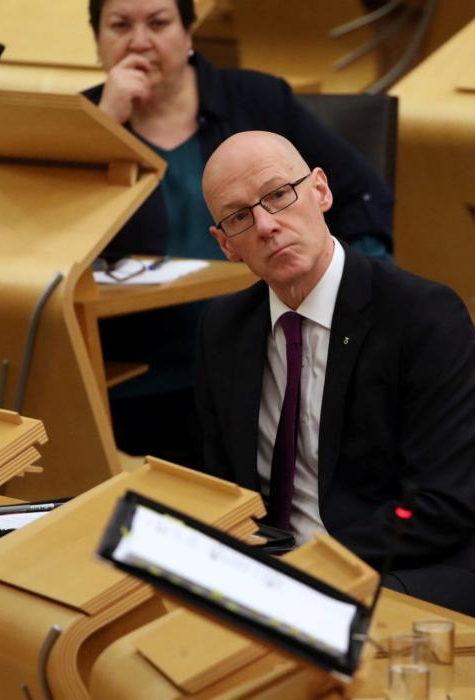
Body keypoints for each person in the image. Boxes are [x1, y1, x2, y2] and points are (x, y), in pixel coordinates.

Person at [193, 130, 475, 624]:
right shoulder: (223, 329)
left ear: (321, 191)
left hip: (417, 567)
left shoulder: (422, 315)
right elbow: (221, 487)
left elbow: (443, 506)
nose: (266, 225)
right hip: (280, 573)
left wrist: (310, 566)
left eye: (280, 194)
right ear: (226, 244)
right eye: (240, 216)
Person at [84, 0, 395, 461]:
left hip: (268, 354)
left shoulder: (256, 100)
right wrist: (100, 130)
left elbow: (361, 194)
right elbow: (47, 242)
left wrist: (358, 297)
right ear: (97, 41)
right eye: (119, 26)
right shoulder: (82, 122)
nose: (139, 41)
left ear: (190, 33)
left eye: (158, 22)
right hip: (134, 373)